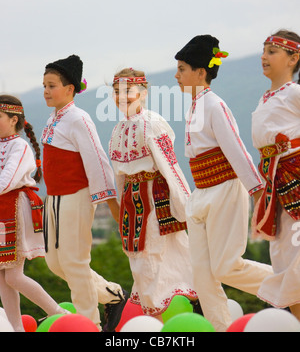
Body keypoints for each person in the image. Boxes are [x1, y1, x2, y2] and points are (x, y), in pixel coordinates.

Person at [174, 35, 273, 332]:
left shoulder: (215, 105)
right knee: (203, 276)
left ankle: (287, 283)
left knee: (226, 266)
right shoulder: (194, 106)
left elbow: (237, 150)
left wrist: (259, 193)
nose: (176, 76)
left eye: (182, 69)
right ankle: (221, 329)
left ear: (201, 72)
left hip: (226, 190)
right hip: (201, 193)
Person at [41, 54, 127, 331]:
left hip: (76, 197)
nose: (46, 91)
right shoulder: (53, 118)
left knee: (74, 263)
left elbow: (98, 161)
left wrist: (111, 202)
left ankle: (89, 324)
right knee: (56, 263)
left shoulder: (79, 119)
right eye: (44, 85)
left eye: (52, 85)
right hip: (53, 198)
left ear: (70, 89)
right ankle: (111, 295)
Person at [109, 68, 199, 321]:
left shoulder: (152, 123)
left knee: (158, 263)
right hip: (131, 203)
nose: (122, 97)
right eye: (117, 92)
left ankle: (168, 321)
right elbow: (120, 176)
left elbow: (170, 167)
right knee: (141, 265)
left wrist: (186, 207)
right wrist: (120, 211)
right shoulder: (117, 130)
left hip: (155, 201)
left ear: (143, 92)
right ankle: (160, 320)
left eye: (128, 91)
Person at [0, 95, 68, 332]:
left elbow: (7, 180)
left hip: (15, 208)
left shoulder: (19, 146)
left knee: (13, 276)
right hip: (1, 211)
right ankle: (16, 328)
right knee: (2, 277)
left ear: (13, 119)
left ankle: (60, 314)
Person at [251, 30, 300, 321]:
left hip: (295, 178)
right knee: (284, 263)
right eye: (264, 50)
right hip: (275, 188)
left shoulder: (294, 93)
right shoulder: (265, 98)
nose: (264, 57)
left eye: (272, 51)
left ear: (294, 58)